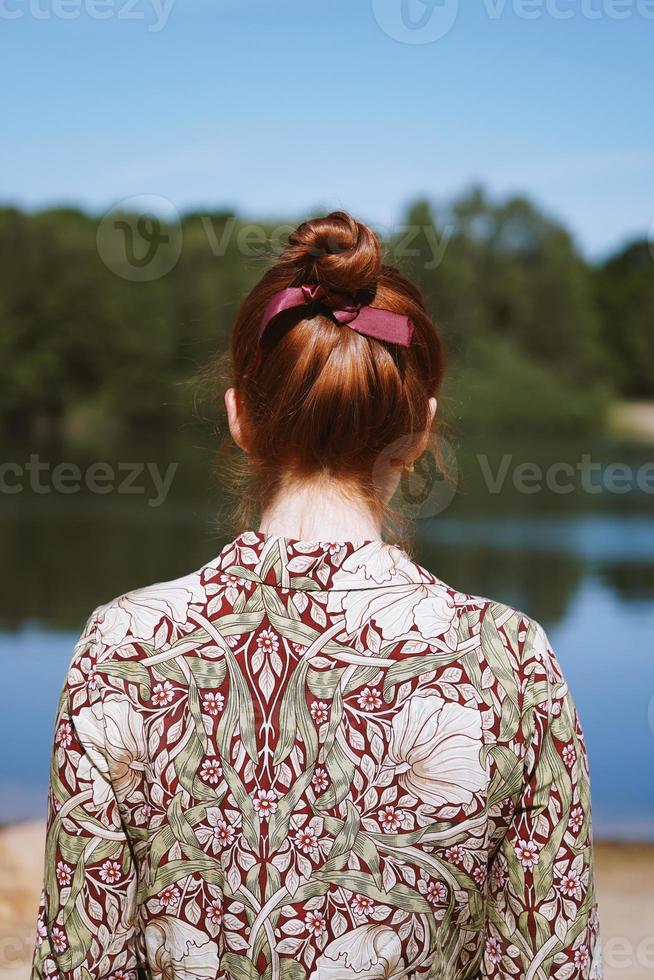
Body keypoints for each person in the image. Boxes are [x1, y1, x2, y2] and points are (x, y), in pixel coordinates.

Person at [32, 212, 601, 979]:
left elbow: (80, 962)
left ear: (239, 417)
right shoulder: (508, 659)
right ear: (422, 430)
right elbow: (548, 960)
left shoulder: (123, 645)